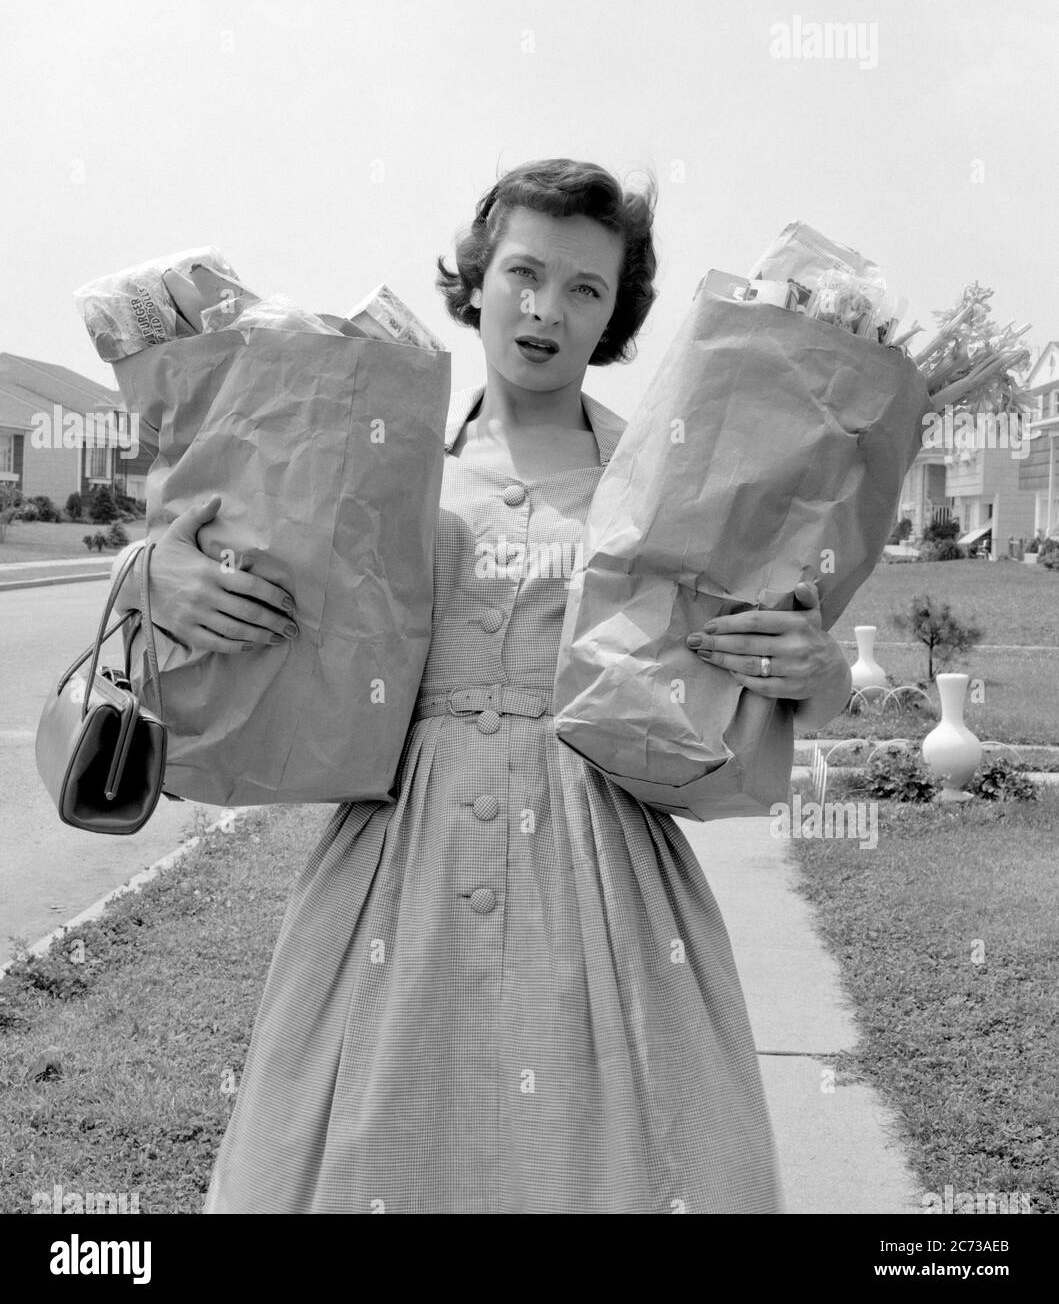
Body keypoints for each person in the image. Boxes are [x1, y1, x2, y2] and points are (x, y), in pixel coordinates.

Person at [113, 158, 852, 1213]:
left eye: (587, 288)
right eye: (525, 272)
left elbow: (770, 665)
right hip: (396, 868)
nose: (548, 308)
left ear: (619, 314)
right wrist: (148, 574)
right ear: (478, 277)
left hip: (607, 873)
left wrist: (817, 673)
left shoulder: (673, 474)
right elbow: (231, 585)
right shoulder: (368, 450)